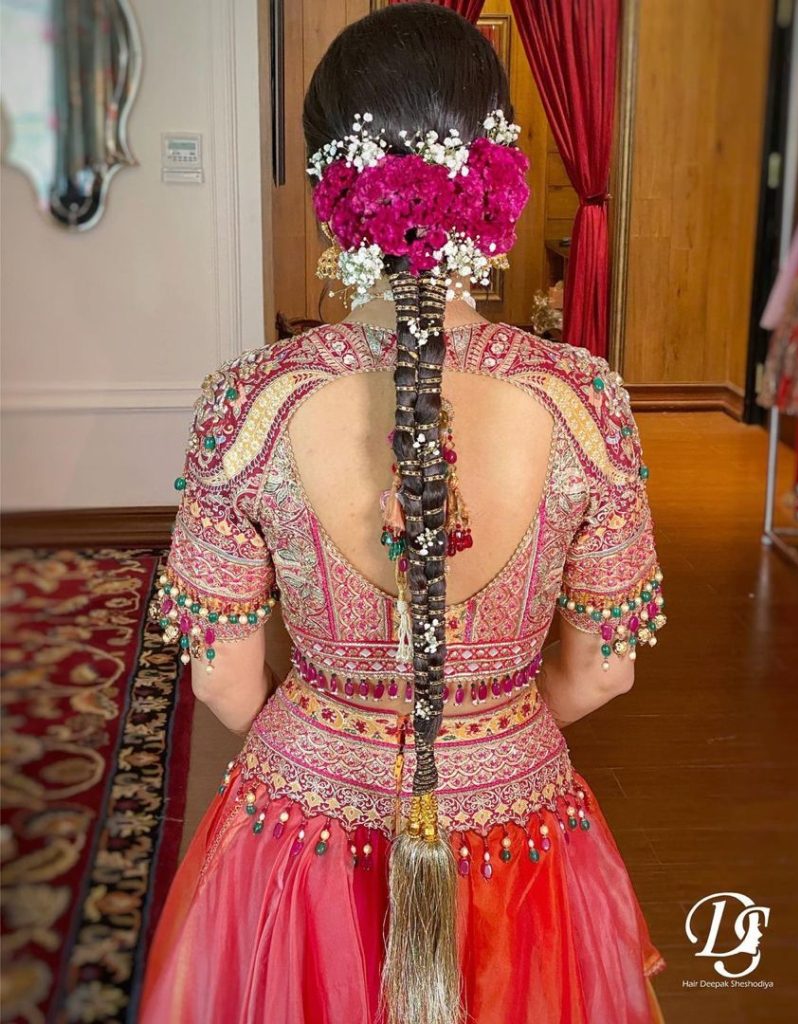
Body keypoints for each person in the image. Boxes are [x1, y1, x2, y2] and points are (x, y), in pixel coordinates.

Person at [139, 5, 667, 1022]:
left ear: (335, 199)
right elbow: (606, 665)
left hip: (301, 842)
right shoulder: (585, 402)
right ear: (499, 182)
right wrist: (488, 737)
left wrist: (332, 735)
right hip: (519, 837)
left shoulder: (248, 404)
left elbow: (222, 677)